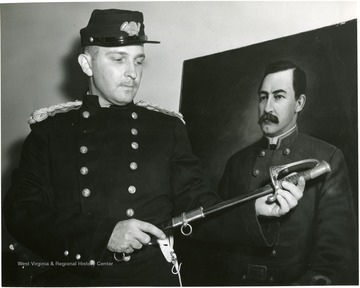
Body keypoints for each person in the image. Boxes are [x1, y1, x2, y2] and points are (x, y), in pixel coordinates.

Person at [4, 10, 304, 286]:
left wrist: (255, 210)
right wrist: (103, 235)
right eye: (118, 59)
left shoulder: (166, 128)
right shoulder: (50, 132)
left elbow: (198, 204)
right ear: (87, 64)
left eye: (138, 60)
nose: (133, 73)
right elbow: (22, 213)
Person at [213, 60, 356, 285]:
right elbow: (216, 241)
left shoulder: (328, 158)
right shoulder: (235, 163)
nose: (267, 107)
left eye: (278, 97)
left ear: (299, 103)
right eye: (263, 97)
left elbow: (334, 259)